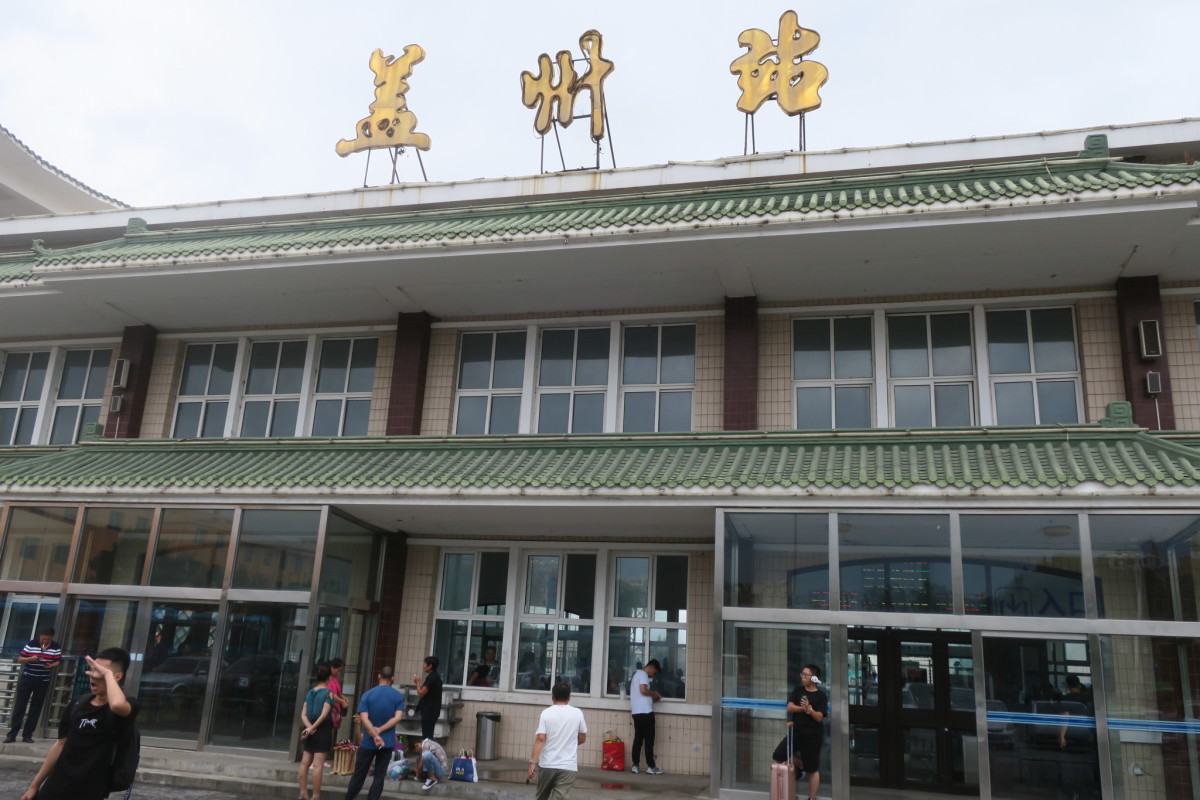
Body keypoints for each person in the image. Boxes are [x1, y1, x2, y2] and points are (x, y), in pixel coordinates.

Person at [20, 647, 137, 800]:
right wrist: (34, 786)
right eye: (92, 669)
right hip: (55, 787)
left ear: (117, 676)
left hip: (89, 791)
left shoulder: (128, 705)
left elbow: (117, 705)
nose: (93, 675)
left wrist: (108, 674)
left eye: (100, 672)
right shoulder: (79, 703)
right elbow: (60, 744)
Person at [345, 665, 405, 800]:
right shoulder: (397, 696)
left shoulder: (368, 694)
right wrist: (380, 730)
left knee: (358, 775)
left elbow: (364, 718)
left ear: (379, 676)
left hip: (368, 741)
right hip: (387, 742)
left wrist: (374, 733)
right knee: (379, 776)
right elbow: (398, 717)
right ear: (392, 678)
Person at [773, 664, 827, 800]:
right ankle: (799, 764)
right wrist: (804, 708)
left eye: (805, 675)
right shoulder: (798, 690)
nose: (802, 677)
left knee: (812, 769)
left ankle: (811, 798)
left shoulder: (821, 696)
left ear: (814, 678)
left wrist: (810, 710)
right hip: (796, 733)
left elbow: (819, 717)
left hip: (813, 735)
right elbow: (790, 707)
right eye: (802, 674)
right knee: (778, 754)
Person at [527, 681, 587, 800]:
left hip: (547, 765)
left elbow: (540, 739)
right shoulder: (577, 713)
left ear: (553, 697)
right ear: (569, 698)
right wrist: (570, 741)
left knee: (541, 797)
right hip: (568, 766)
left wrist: (533, 763)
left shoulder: (546, 713)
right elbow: (582, 738)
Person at [6, 627, 62, 744]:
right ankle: (12, 734)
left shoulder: (55, 646)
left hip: (43, 680)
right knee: (20, 706)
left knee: (36, 708)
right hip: (28, 678)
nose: (45, 641)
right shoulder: (32, 644)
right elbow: (19, 659)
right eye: (43, 639)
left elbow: (58, 661)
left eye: (47, 639)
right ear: (40, 636)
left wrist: (51, 666)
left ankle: (28, 734)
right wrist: (30, 659)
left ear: (52, 638)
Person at [298, 664, 335, 800]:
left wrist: (309, 727)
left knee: (304, 763)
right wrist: (314, 727)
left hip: (310, 729)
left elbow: (303, 714)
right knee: (318, 765)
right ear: (329, 678)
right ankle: (316, 795)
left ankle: (303, 792)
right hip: (322, 729)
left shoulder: (310, 692)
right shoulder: (328, 693)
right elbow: (324, 715)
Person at [629, 658, 662, 774]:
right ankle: (651, 767)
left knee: (638, 739)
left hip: (636, 712)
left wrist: (652, 698)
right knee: (649, 740)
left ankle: (635, 765)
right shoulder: (643, 674)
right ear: (650, 667)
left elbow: (641, 695)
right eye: (654, 672)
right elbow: (643, 690)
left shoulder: (636, 675)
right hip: (646, 713)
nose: (653, 675)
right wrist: (654, 693)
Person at [412, 656, 443, 740]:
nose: (424, 666)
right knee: (429, 734)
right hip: (434, 710)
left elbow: (421, 693)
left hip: (429, 711)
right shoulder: (436, 677)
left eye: (425, 664)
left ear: (430, 666)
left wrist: (418, 682)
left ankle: (427, 748)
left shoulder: (431, 678)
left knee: (427, 735)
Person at [327, 656, 350, 737]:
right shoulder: (327, 679)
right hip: (329, 709)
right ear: (332, 667)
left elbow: (337, 692)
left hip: (335, 709)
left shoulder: (334, 679)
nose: (338, 672)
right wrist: (342, 701)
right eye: (338, 670)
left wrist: (343, 697)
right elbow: (330, 694)